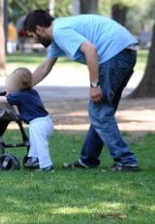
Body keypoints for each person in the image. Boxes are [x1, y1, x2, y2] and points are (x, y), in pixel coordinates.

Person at [23, 9, 140, 172]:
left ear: (39, 29)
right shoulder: (58, 35)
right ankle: (88, 160)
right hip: (124, 52)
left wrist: (94, 85)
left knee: (99, 111)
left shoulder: (60, 32)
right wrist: (22, 88)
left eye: (31, 35)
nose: (34, 40)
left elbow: (91, 50)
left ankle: (127, 160)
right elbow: (44, 68)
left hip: (115, 54)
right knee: (101, 110)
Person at [0, 68, 54, 171]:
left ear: (16, 85)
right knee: (34, 142)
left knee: (40, 144)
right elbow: (13, 96)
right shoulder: (32, 92)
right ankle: (33, 159)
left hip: (38, 123)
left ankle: (46, 165)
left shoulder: (19, 96)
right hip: (46, 121)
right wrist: (10, 93)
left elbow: (5, 100)